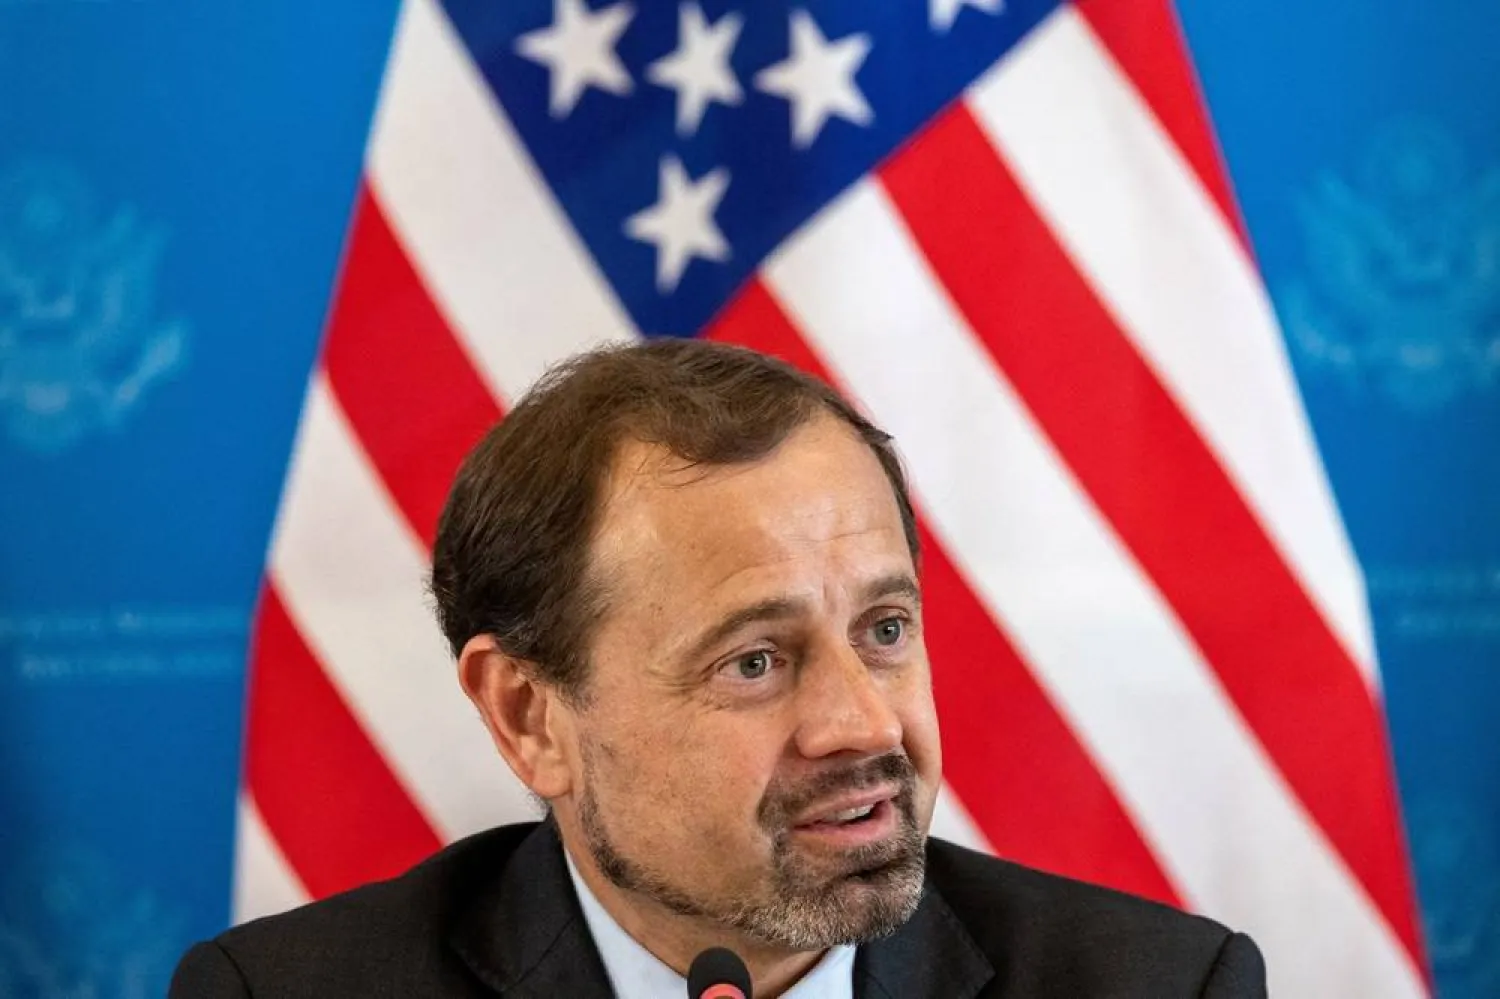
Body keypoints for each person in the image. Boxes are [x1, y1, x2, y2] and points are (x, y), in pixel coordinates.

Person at [171, 339, 1266, 998]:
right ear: (529, 717)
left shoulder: (1159, 987)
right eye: (754, 660)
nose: (863, 725)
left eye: (885, 630)